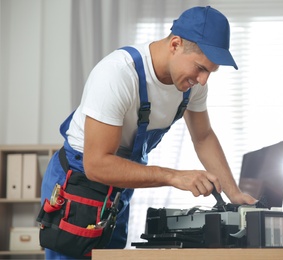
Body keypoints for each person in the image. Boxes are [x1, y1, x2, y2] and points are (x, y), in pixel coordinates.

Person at [40, 5, 256, 259]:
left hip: (119, 190)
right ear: (175, 44)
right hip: (79, 184)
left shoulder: (192, 85)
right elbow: (96, 164)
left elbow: (204, 136)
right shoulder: (118, 74)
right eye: (200, 68)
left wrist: (234, 195)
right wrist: (174, 177)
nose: (203, 80)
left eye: (210, 71)